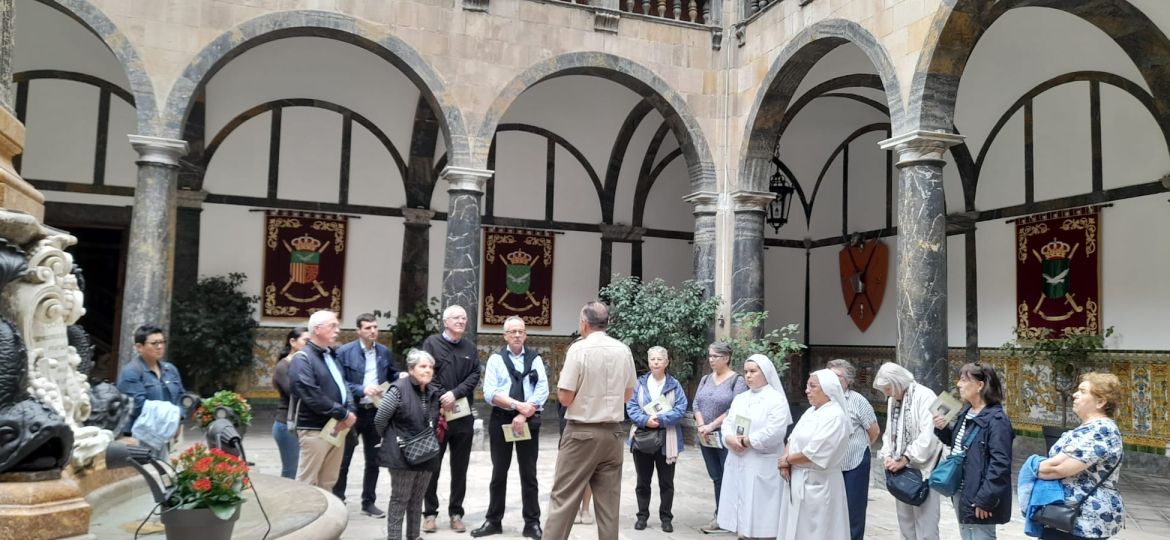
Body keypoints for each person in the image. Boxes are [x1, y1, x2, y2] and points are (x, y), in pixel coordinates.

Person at [544, 301, 637, 540]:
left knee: (563, 499)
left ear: (584, 323)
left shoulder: (579, 349)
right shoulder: (623, 349)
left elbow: (565, 397)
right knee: (608, 506)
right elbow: (628, 395)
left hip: (581, 434)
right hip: (613, 434)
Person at [471, 316, 549, 540]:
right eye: (512, 331)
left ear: (525, 334)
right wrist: (517, 406)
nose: (517, 335)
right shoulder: (496, 360)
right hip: (501, 420)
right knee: (499, 473)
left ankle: (532, 523)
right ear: (504, 335)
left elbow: (542, 389)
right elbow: (490, 393)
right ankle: (494, 521)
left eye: (521, 331)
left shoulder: (535, 359)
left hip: (527, 422)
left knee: (529, 473)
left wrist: (524, 414)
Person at [1036, 372, 1125, 540]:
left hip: (1083, 518)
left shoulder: (1101, 430)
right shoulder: (1090, 428)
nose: (1074, 395)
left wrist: (1032, 468)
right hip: (1067, 515)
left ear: (1100, 401)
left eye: (1083, 391)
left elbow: (1059, 469)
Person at [932, 362, 1014, 540]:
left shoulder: (997, 420)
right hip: (963, 488)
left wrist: (985, 499)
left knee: (981, 536)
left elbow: (1000, 464)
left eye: (963, 380)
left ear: (980, 385)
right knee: (967, 535)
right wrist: (943, 428)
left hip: (980, 492)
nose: (958, 384)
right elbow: (960, 446)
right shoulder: (967, 411)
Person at [716, 354, 792, 539]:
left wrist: (747, 441)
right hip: (738, 459)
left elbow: (775, 431)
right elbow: (728, 422)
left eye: (753, 371)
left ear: (765, 373)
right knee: (740, 510)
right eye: (746, 372)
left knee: (761, 512)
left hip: (762, 462)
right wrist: (729, 438)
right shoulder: (741, 398)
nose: (748, 376)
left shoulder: (776, 400)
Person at [421, 305, 481, 533]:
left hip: (462, 417)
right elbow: (425, 372)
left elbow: (475, 374)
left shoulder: (470, 348)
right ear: (445, 322)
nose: (461, 321)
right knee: (432, 466)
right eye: (456, 317)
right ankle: (430, 513)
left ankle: (456, 512)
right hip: (437, 416)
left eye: (464, 318)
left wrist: (454, 394)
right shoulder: (432, 343)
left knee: (460, 468)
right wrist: (441, 395)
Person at [335, 313, 398, 517]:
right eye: (368, 328)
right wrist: (361, 389)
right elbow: (340, 382)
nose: (373, 331)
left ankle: (368, 502)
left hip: (376, 412)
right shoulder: (345, 352)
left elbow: (391, 374)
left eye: (375, 327)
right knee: (344, 460)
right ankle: (338, 500)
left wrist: (402, 377)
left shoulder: (383, 352)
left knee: (374, 460)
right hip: (353, 411)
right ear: (358, 331)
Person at [776, 369, 852, 540]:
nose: (807, 390)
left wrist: (785, 460)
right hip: (798, 478)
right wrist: (785, 459)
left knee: (819, 531)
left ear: (827, 389)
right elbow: (792, 438)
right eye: (807, 386)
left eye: (812, 386)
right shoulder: (811, 411)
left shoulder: (835, 416)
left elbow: (814, 453)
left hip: (820, 482)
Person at [376, 349, 443, 540]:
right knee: (400, 499)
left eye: (430, 367)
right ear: (411, 369)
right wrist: (391, 439)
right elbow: (380, 420)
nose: (428, 370)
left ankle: (414, 536)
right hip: (401, 453)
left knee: (417, 500)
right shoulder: (398, 389)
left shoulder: (432, 391)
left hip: (426, 452)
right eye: (423, 366)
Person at [874, 362, 943, 540]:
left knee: (926, 525)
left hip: (924, 469)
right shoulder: (893, 400)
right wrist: (888, 455)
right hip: (901, 469)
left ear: (897, 382)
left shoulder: (925, 396)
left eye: (888, 389)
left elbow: (929, 435)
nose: (886, 394)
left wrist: (906, 458)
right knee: (905, 522)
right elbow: (890, 432)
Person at [289, 310, 357, 489]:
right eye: (333, 325)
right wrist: (342, 413)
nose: (338, 330)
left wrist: (350, 410)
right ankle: (304, 516)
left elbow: (344, 385)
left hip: (336, 428)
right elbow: (312, 395)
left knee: (328, 480)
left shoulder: (331, 355)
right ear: (317, 329)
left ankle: (325, 517)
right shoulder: (302, 358)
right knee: (307, 482)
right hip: (314, 429)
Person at [625, 346, 688, 533]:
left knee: (666, 482)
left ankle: (666, 518)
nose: (656, 362)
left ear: (666, 362)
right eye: (652, 359)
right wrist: (646, 420)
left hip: (667, 438)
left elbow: (681, 408)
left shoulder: (674, 385)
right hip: (643, 437)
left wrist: (660, 420)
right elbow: (631, 405)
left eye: (660, 359)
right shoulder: (639, 383)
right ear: (648, 361)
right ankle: (642, 516)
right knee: (642, 481)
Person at [693, 341, 748, 533]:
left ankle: (732, 516)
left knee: (729, 475)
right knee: (716, 476)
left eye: (714, 356)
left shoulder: (737, 380)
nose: (711, 360)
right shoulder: (706, 379)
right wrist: (701, 425)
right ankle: (721, 515)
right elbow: (696, 404)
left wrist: (712, 425)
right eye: (709, 356)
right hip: (706, 436)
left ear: (726, 358)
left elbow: (735, 408)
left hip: (725, 436)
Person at [826, 359, 880, 540]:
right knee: (830, 509)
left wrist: (858, 447)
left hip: (854, 463)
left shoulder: (858, 401)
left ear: (848, 380)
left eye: (837, 377)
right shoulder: (824, 399)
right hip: (829, 465)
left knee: (853, 510)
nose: (832, 381)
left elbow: (874, 432)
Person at [116, 324, 186, 455]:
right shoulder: (131, 372)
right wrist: (173, 417)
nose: (159, 347)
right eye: (154, 343)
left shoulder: (170, 369)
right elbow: (139, 406)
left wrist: (178, 420)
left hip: (166, 435)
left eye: (162, 342)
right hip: (140, 437)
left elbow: (181, 398)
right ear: (139, 347)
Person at [272, 326, 309, 479]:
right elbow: (296, 392)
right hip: (286, 425)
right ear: (293, 342)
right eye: (306, 341)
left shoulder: (305, 363)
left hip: (301, 422)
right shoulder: (283, 366)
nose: (309, 344)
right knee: (290, 470)